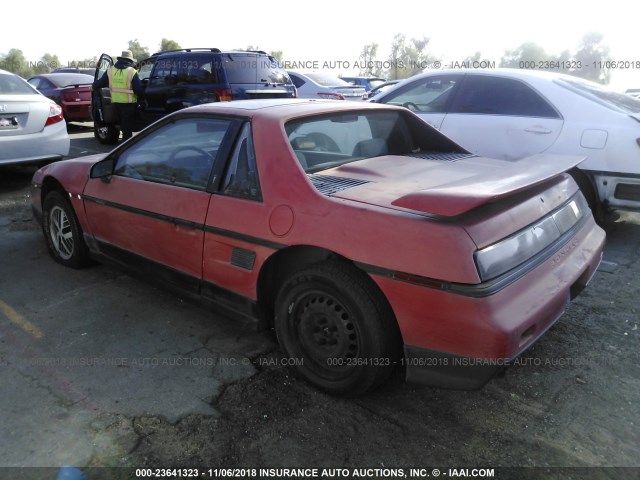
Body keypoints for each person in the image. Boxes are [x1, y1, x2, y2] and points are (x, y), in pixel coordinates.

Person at [93, 50, 144, 142]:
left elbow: (101, 82)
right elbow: (139, 90)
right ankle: (126, 146)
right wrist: (142, 100)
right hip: (129, 103)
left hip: (116, 102)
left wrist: (93, 86)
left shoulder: (111, 70)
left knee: (122, 124)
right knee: (127, 127)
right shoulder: (132, 71)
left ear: (120, 59)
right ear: (130, 60)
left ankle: (124, 144)